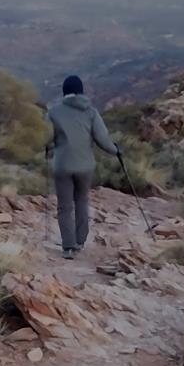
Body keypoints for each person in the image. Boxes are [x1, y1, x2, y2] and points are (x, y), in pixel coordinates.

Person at [45, 74, 120, 258]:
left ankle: (68, 247)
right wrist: (116, 151)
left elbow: (45, 138)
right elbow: (102, 139)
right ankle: (80, 241)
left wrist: (47, 149)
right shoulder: (91, 112)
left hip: (62, 165)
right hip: (85, 166)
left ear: (64, 92)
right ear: (80, 91)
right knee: (82, 200)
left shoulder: (53, 112)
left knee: (64, 206)